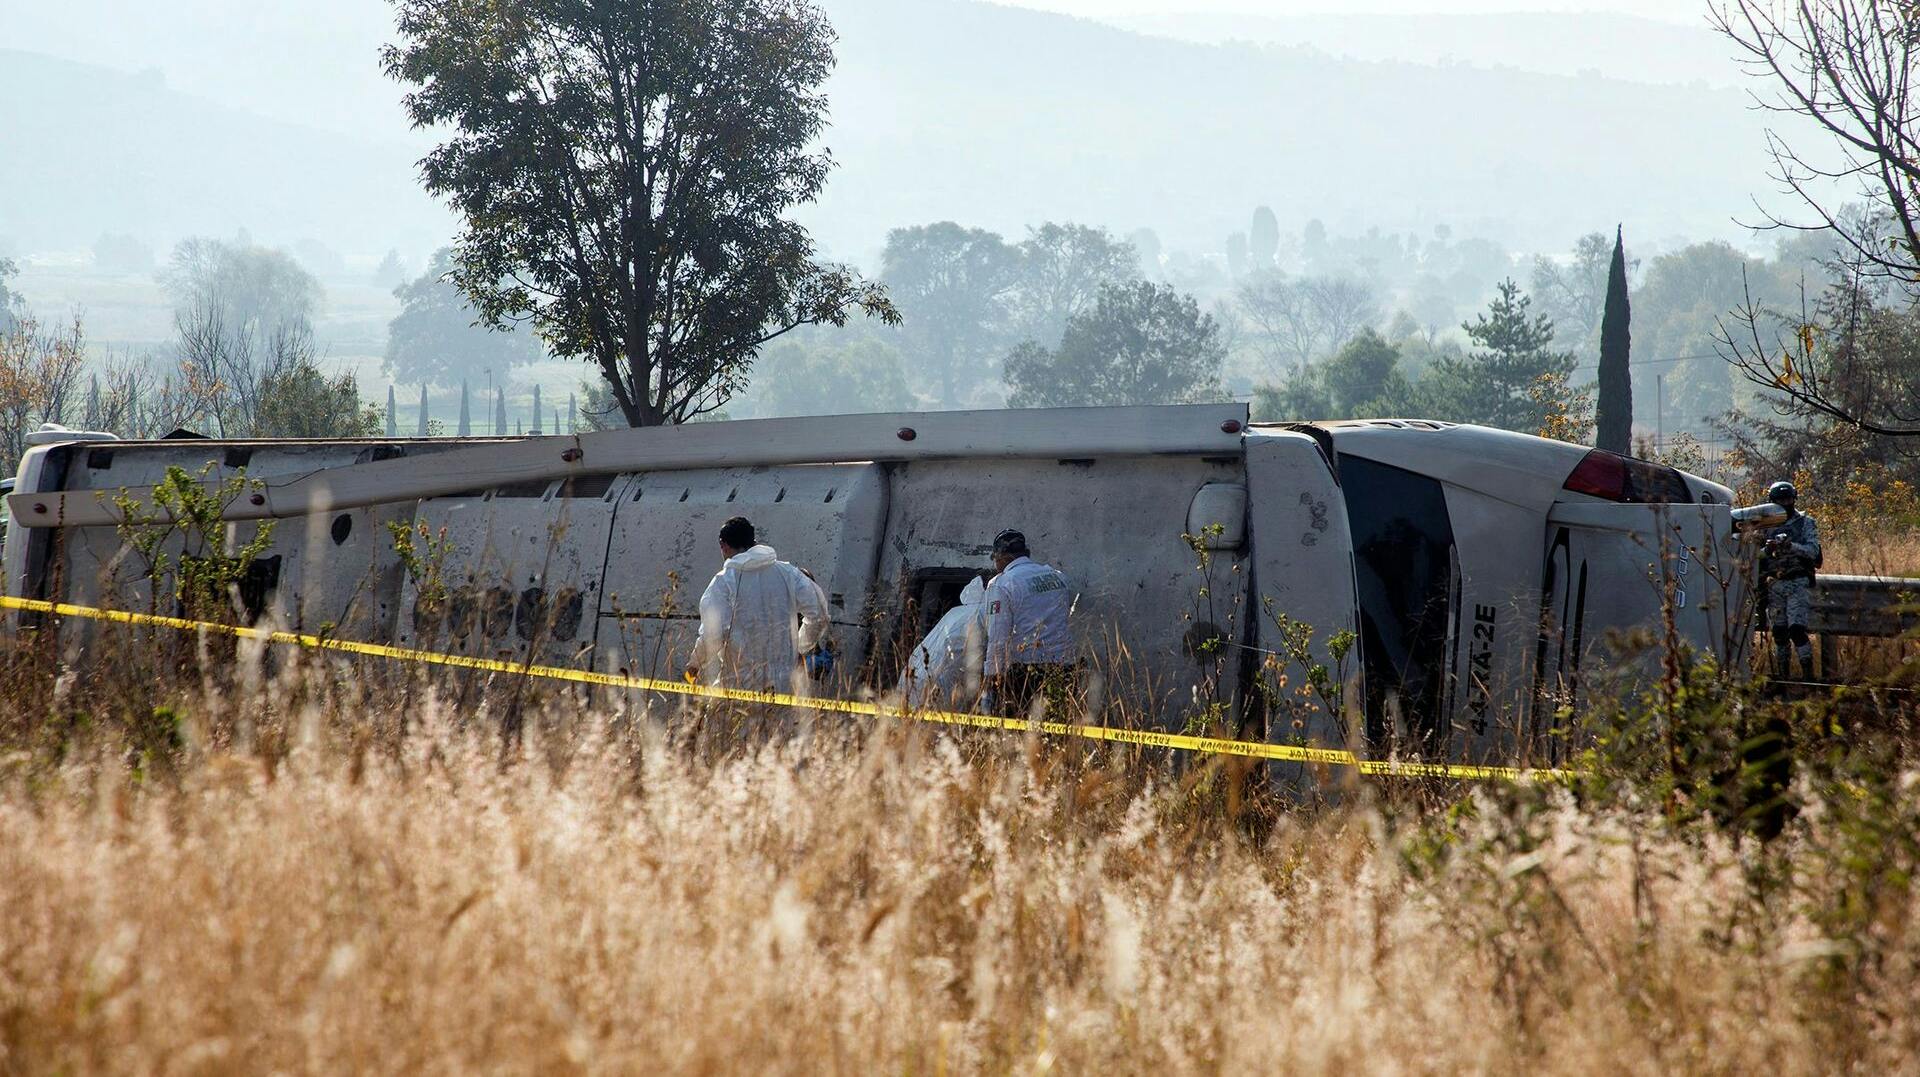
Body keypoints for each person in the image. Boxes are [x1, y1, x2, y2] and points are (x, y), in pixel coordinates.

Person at [686, 516, 830, 694]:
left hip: (739, 686)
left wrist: (695, 663)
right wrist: (799, 646)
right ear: (753, 542)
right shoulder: (789, 574)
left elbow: (712, 635)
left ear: (723, 545)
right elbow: (819, 615)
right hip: (785, 687)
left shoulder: (723, 583)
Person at [981, 529, 1074, 716]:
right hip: (1065, 668)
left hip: (1026, 674)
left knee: (1021, 738)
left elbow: (998, 638)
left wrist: (991, 678)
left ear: (1002, 557)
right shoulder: (1057, 577)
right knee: (1057, 733)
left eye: (995, 558)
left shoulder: (1002, 584)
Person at [899, 573, 990, 711]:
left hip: (916, 671)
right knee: (938, 725)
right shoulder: (982, 614)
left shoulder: (956, 611)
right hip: (943, 679)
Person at [1760, 480, 1822, 678]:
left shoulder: (1805, 522)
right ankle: (1784, 677)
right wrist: (1767, 550)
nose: (1785, 503)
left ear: (1794, 499)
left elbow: (1813, 552)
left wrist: (1791, 547)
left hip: (1798, 582)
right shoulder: (1765, 524)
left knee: (1796, 630)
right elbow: (1753, 556)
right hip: (1775, 584)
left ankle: (1808, 677)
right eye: (1780, 500)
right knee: (1779, 632)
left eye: (1788, 499)